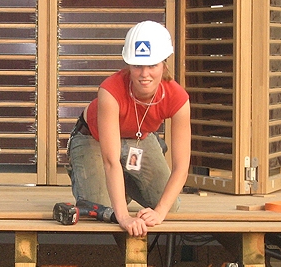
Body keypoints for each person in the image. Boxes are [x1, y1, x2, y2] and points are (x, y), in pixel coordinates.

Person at [67, 21, 191, 237]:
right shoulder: (110, 90)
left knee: (170, 206)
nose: (144, 74)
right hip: (94, 138)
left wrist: (160, 212)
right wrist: (123, 217)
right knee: (103, 209)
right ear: (128, 65)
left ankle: (126, 182)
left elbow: (181, 166)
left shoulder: (178, 98)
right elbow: (110, 161)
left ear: (164, 65)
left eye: (152, 65)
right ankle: (90, 174)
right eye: (137, 66)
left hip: (139, 137)